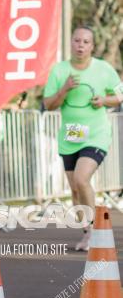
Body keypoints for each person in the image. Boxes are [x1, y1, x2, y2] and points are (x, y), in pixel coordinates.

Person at [43, 25, 123, 251]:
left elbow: (120, 94)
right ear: (71, 43)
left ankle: (97, 231)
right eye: (77, 41)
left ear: (92, 46)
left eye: (86, 42)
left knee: (81, 178)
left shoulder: (104, 69)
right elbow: (48, 105)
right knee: (75, 190)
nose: (81, 45)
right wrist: (64, 90)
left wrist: (104, 101)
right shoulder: (59, 71)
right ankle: (88, 233)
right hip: (69, 137)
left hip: (95, 135)